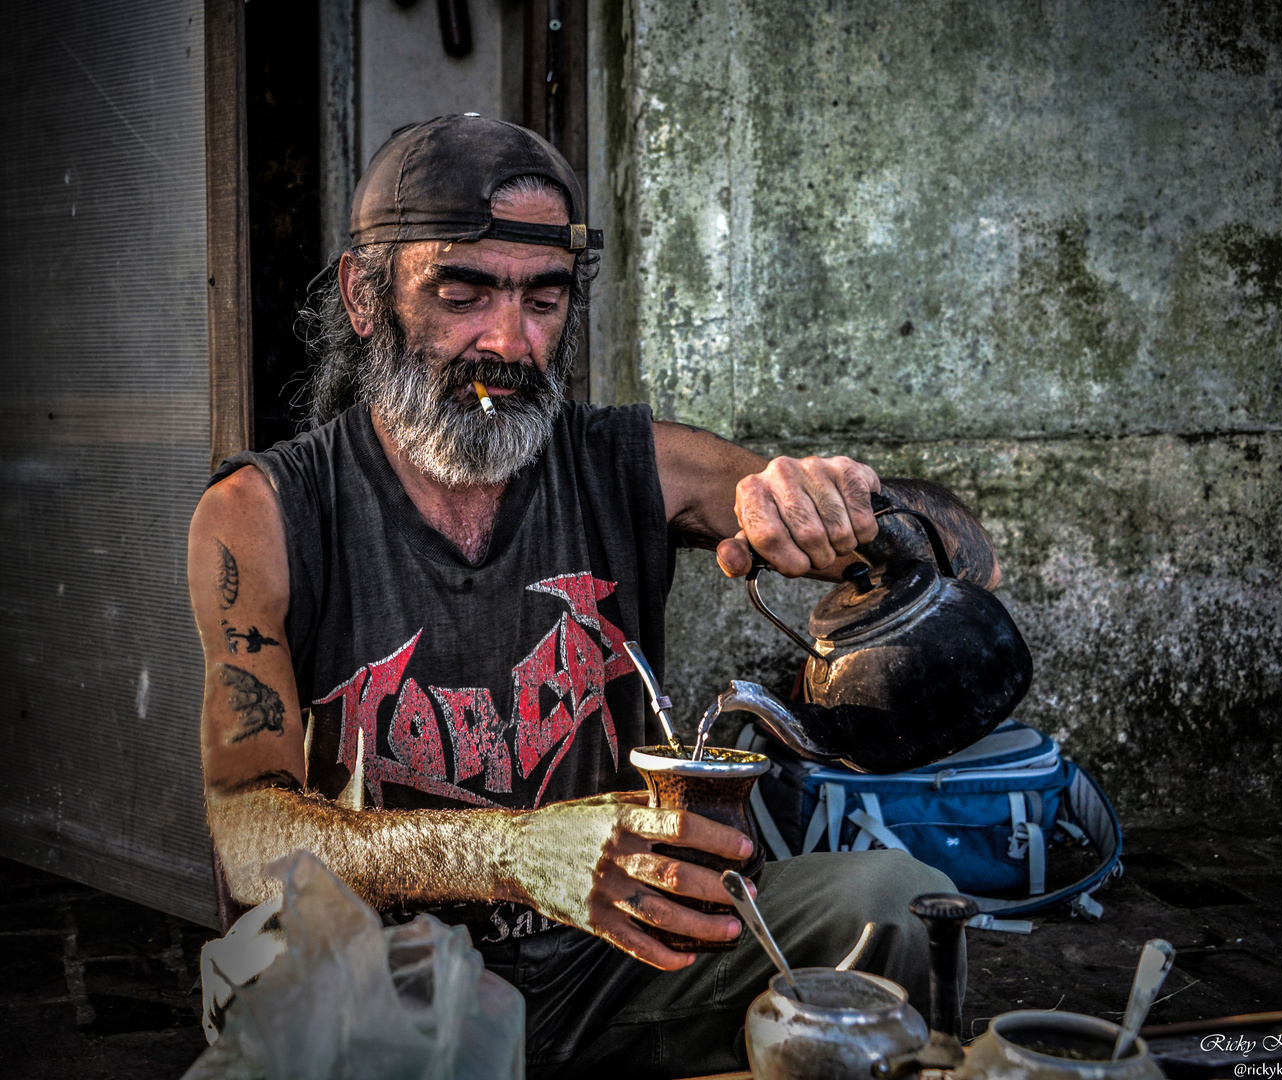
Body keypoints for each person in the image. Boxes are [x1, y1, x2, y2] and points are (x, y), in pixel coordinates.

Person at [189, 115, 1001, 1078]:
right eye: (463, 292)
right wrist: (521, 853)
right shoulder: (261, 514)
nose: (509, 341)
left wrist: (852, 512)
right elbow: (248, 837)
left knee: (892, 902)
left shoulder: (632, 464)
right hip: (380, 978)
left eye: (543, 299)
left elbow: (964, 554)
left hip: (617, 949)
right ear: (366, 296)